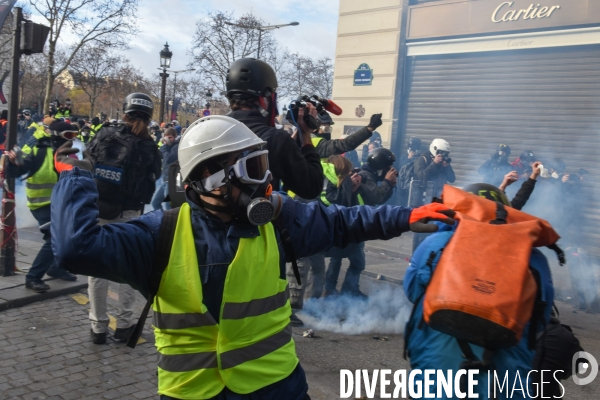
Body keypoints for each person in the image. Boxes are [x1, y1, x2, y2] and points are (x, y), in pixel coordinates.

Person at [51, 114, 454, 399]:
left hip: (278, 388)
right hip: (193, 394)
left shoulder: (278, 220)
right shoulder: (158, 234)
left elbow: (343, 222)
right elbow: (76, 247)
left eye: (263, 165)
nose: (266, 181)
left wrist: (407, 215)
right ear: (210, 179)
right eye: (254, 168)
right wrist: (74, 176)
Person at [404, 184, 555, 400]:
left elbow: (412, 292)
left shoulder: (435, 244)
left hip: (437, 373)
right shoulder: (535, 258)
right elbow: (541, 319)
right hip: (505, 383)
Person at [83, 92, 162, 344]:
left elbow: (86, 163)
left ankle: (98, 327)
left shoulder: (104, 134)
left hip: (99, 210)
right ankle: (125, 325)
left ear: (124, 112)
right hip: (129, 213)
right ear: (149, 118)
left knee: (97, 272)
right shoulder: (148, 145)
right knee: (128, 271)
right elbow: (154, 177)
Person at [226, 57, 323, 200]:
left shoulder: (208, 130)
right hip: (257, 220)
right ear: (265, 98)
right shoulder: (276, 140)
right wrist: (305, 134)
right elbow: (312, 187)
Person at [4, 120, 78, 292]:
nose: (72, 140)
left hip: (60, 204)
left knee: (66, 237)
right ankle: (33, 277)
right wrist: (13, 163)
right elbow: (15, 172)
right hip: (41, 204)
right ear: (56, 137)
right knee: (54, 239)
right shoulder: (39, 152)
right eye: (68, 136)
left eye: (74, 136)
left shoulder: (69, 155)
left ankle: (56, 268)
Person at [152, 127, 179, 210]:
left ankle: (169, 221)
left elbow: (168, 159)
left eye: (170, 137)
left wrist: (164, 148)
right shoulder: (166, 148)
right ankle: (161, 218)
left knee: (168, 205)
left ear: (175, 137)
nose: (168, 140)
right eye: (166, 137)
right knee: (155, 203)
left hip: (171, 181)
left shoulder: (176, 147)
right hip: (164, 179)